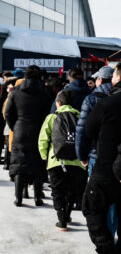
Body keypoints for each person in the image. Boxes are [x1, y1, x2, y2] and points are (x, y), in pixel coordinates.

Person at [82, 63, 121, 254]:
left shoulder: (105, 104)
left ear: (116, 79)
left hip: (107, 167)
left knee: (92, 207)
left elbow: (88, 129)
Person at [38, 89, 87, 231]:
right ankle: (67, 215)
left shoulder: (52, 118)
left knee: (57, 190)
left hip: (56, 161)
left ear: (58, 103)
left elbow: (43, 139)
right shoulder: (80, 117)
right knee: (71, 190)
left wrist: (44, 157)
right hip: (77, 161)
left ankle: (61, 219)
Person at [4, 65, 52, 206]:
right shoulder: (45, 92)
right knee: (37, 165)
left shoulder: (16, 92)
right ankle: (37, 197)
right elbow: (49, 112)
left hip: (20, 130)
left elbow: (8, 113)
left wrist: (15, 126)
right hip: (39, 130)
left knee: (20, 165)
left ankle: (18, 198)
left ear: (25, 75)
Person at [76, 65, 116, 225]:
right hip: (116, 156)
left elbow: (82, 130)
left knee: (97, 198)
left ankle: (104, 237)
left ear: (100, 80)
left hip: (96, 155)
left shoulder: (92, 99)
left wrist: (81, 155)